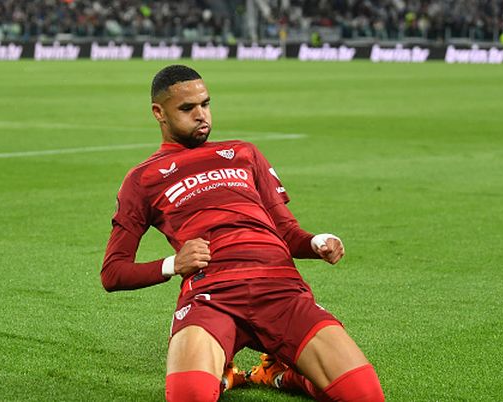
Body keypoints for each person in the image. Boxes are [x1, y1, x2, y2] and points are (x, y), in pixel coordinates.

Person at [101, 64, 384, 402]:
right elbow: (113, 272)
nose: (201, 115)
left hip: (281, 290)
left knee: (366, 396)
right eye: (187, 109)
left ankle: (281, 374)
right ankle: (222, 372)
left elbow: (286, 230)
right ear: (158, 113)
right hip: (212, 297)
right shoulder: (143, 178)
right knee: (190, 396)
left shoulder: (243, 152)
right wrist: (173, 264)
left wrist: (315, 242)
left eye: (205, 104)